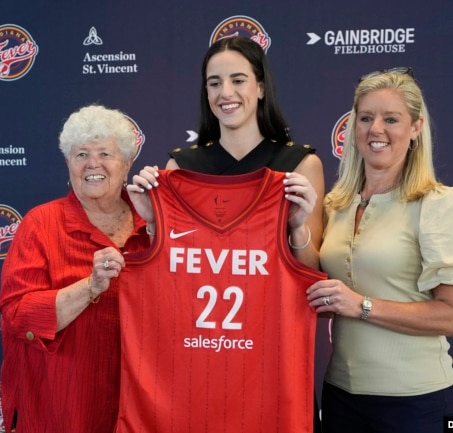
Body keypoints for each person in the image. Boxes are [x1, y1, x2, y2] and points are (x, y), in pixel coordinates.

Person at [128, 36, 325, 432]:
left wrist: (298, 227)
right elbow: (164, 277)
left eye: (238, 79)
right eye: (214, 82)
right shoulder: (179, 167)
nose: (226, 93)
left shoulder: (299, 165)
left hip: (269, 366)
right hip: (193, 366)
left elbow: (311, 273)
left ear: (261, 87)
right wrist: (152, 222)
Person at [306, 67, 453, 433]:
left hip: (414, 402)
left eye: (391, 119)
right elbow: (320, 297)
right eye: (366, 118)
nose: (376, 130)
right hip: (340, 394)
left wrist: (361, 305)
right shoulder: (336, 205)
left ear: (416, 128)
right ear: (353, 127)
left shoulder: (440, 204)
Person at [0, 104, 151, 433]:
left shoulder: (153, 227)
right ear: (68, 163)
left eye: (105, 154)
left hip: (138, 411)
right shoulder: (41, 224)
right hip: (61, 411)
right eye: (81, 154)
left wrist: (156, 228)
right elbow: (17, 315)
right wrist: (91, 286)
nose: (92, 164)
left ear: (127, 164)